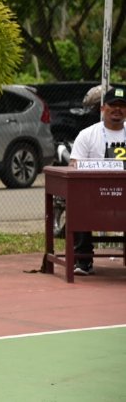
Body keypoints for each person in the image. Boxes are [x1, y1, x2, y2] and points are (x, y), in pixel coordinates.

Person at [69, 87, 126, 276]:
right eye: (113, 105)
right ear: (103, 108)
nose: (117, 109)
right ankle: (83, 260)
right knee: (78, 204)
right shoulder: (87, 134)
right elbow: (74, 164)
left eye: (122, 106)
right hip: (94, 196)